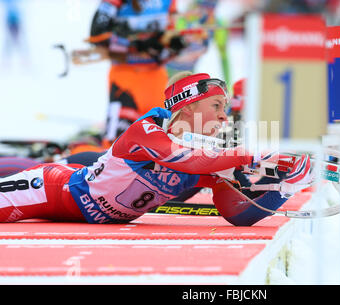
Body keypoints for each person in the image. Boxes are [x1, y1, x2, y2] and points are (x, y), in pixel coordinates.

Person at [0, 72, 312, 226]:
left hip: (89, 213)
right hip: (52, 190)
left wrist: (286, 186)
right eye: (216, 105)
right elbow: (186, 161)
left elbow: (239, 215)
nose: (223, 116)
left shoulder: (211, 155)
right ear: (187, 107)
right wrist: (252, 154)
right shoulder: (147, 129)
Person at [88, 0, 186, 148]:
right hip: (125, 78)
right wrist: (135, 45)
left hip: (156, 79)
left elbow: (172, 37)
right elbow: (97, 36)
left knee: (162, 142)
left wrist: (174, 45)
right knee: (116, 144)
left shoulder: (169, 2)